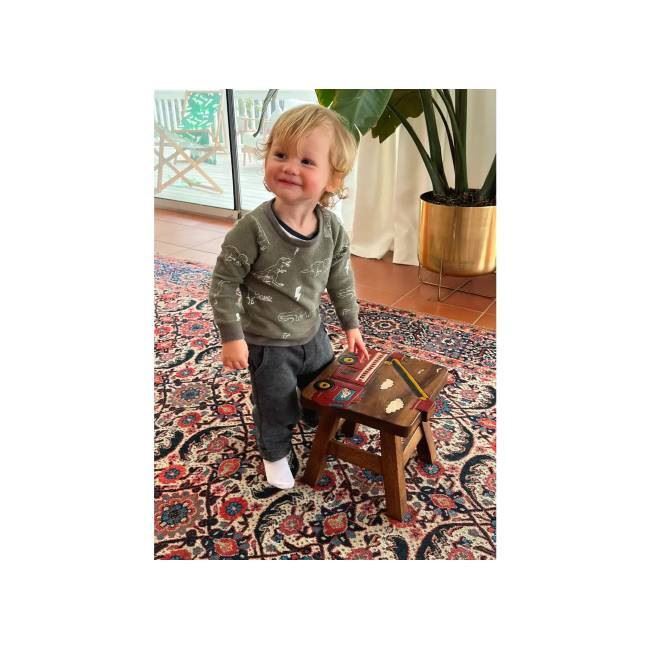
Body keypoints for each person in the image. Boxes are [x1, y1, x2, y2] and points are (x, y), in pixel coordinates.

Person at [209, 104, 369, 489]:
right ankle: (274, 451)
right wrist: (232, 336)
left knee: (323, 384)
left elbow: (340, 279)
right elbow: (223, 284)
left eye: (307, 161)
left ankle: (314, 417)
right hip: (268, 344)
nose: (290, 167)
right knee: (276, 404)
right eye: (280, 154)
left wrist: (351, 325)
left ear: (333, 178)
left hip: (313, 334)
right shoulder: (251, 230)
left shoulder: (332, 229)